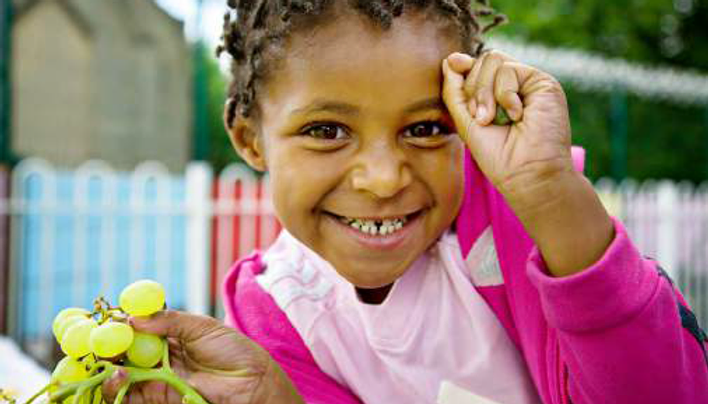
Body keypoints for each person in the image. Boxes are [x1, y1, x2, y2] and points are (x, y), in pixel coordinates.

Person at [105, 0, 708, 403]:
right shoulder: (274, 315)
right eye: (326, 130)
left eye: (424, 128)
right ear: (248, 139)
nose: (382, 178)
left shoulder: (521, 221)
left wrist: (551, 197)